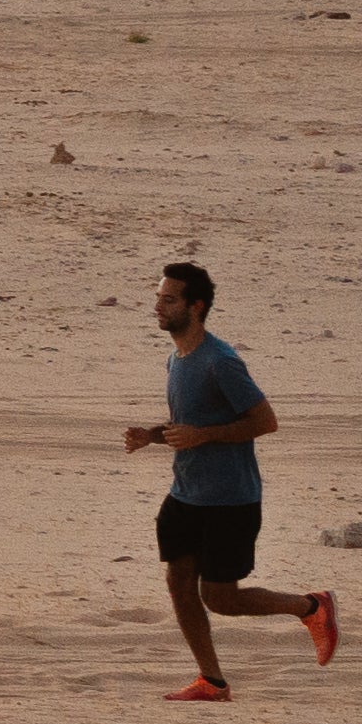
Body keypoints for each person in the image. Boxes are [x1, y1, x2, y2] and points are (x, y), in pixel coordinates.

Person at [130, 257, 334, 697]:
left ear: (196, 306)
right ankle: (212, 680)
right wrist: (152, 435)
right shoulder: (176, 359)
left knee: (220, 597)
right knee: (178, 582)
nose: (158, 307)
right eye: (158, 299)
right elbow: (188, 426)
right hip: (185, 493)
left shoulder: (220, 361)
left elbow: (265, 421)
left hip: (229, 499)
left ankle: (312, 606)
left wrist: (203, 435)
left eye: (168, 300)